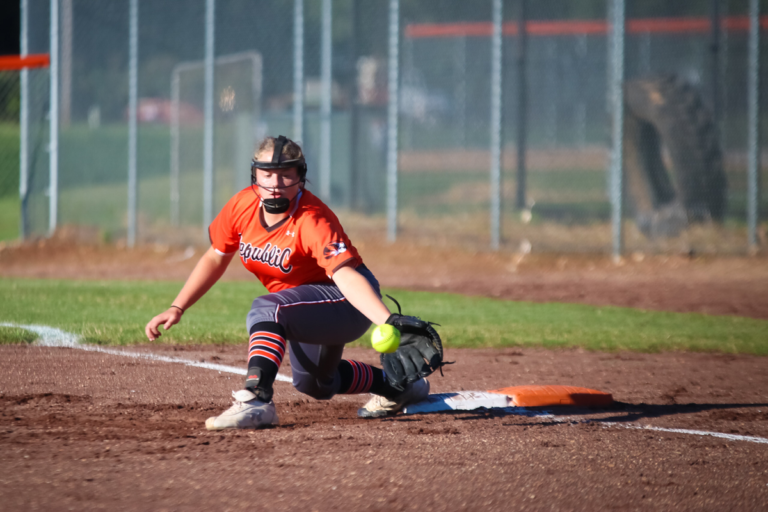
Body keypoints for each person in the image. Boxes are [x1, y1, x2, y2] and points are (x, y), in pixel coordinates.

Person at [145, 135, 431, 430]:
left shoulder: (311, 218)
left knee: (267, 309)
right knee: (316, 383)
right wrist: (178, 306)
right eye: (267, 174)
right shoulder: (242, 205)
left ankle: (256, 399)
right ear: (255, 174)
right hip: (303, 305)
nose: (275, 183)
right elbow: (216, 257)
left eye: (285, 174)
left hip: (346, 300)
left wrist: (388, 321)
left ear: (300, 176)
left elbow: (344, 275)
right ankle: (399, 385)